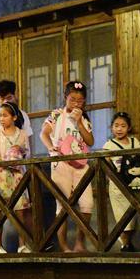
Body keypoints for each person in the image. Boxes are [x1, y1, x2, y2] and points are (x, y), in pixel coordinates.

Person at [40, 81, 95, 252]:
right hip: (61, 162)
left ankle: (79, 243)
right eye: (72, 100)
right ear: (65, 98)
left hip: (80, 163)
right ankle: (64, 246)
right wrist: (51, 148)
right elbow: (44, 133)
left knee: (87, 203)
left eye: (80, 101)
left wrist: (79, 123)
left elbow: (91, 141)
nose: (76, 104)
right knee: (62, 204)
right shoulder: (56, 115)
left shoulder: (84, 118)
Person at [0, 102, 33, 253]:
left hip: (17, 175)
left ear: (14, 117)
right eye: (0, 116)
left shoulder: (22, 134)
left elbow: (28, 153)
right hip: (0, 175)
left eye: (5, 115)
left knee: (20, 211)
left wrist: (19, 153)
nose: (2, 119)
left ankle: (22, 244)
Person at [103, 112, 140, 252]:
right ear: (111, 128)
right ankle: (124, 244)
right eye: (116, 125)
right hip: (117, 187)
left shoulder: (135, 142)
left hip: (134, 184)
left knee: (133, 216)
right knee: (121, 216)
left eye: (123, 126)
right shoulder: (109, 145)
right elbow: (105, 164)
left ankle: (128, 243)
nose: (119, 129)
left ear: (128, 128)